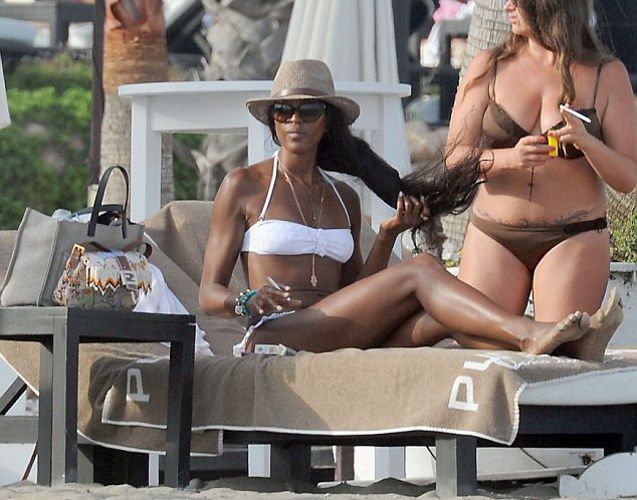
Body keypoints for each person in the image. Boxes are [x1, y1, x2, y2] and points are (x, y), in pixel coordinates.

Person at [199, 58, 596, 357]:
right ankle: (528, 331)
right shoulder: (245, 185)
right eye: (283, 112)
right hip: (278, 331)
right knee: (422, 269)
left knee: (442, 317)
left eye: (309, 111)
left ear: (327, 122)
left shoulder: (343, 197)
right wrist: (244, 300)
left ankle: (557, 350)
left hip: (337, 329)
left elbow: (356, 291)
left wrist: (388, 235)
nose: (294, 121)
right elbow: (208, 294)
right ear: (272, 121)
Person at [412, 0, 634, 361]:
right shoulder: (490, 65)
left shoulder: (606, 75)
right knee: (484, 352)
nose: (508, 6)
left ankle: (572, 343)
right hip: (494, 235)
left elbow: (627, 177)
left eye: (518, 0)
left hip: (572, 237)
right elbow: (454, 158)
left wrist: (586, 142)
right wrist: (507, 159)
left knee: (556, 360)